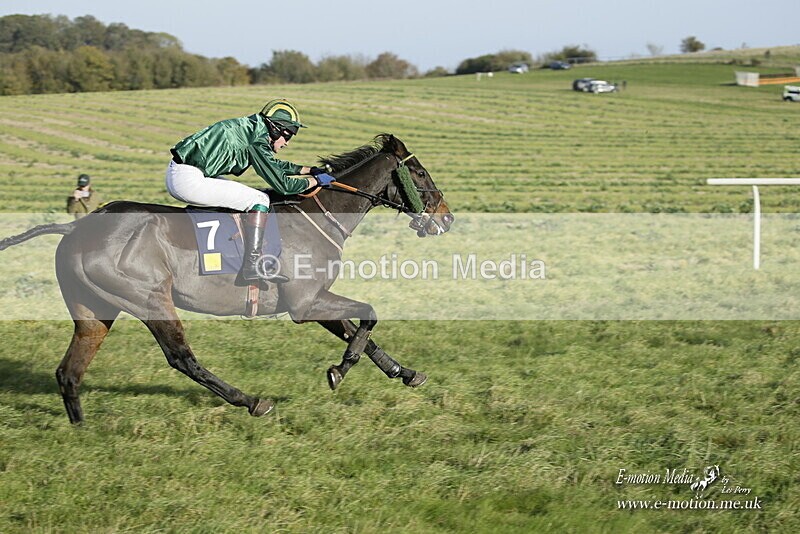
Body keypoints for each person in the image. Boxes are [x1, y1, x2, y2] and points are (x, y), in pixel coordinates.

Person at [166, 99, 336, 282]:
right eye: (287, 137)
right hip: (188, 179)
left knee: (248, 196)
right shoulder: (256, 139)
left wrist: (308, 170)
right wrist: (316, 181)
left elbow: (272, 164)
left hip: (186, 172)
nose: (286, 143)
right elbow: (284, 186)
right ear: (276, 129)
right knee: (260, 200)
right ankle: (252, 265)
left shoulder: (253, 128)